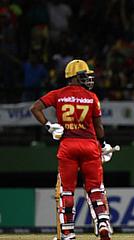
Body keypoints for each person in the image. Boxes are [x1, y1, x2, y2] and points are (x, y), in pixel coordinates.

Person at [30, 59, 113, 240]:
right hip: (90, 146)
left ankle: (68, 233)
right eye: (84, 75)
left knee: (67, 190)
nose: (88, 79)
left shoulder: (58, 94)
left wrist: (49, 126)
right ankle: (103, 222)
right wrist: (104, 144)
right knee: (95, 188)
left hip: (68, 146)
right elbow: (98, 126)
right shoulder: (91, 97)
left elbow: (35, 108)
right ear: (74, 77)